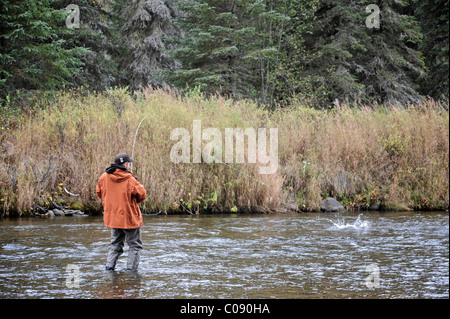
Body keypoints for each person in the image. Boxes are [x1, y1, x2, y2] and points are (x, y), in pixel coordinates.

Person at [96, 153, 147, 271]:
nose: (129, 165)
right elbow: (142, 194)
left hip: (113, 218)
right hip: (129, 219)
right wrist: (133, 202)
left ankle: (109, 268)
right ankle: (131, 273)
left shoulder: (104, 177)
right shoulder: (129, 179)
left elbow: (99, 193)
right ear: (125, 164)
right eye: (129, 163)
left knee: (115, 245)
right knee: (134, 246)